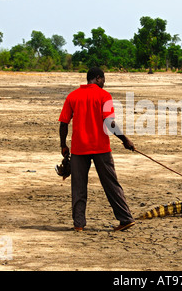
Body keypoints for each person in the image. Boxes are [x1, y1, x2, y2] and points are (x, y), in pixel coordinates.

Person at [58, 67, 136, 232]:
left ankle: (78, 224)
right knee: (111, 184)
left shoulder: (73, 96)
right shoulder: (104, 96)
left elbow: (63, 123)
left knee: (78, 187)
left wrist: (63, 145)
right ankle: (125, 219)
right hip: (101, 148)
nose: (104, 82)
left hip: (79, 148)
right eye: (104, 79)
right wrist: (125, 140)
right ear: (98, 78)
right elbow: (110, 123)